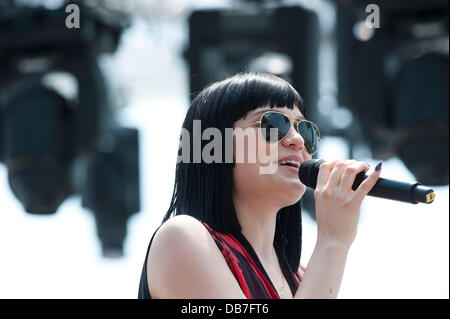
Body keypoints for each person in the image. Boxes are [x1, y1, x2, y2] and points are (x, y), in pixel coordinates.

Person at [138, 72, 382, 299]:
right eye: (273, 125)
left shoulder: (301, 277)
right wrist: (332, 242)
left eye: (305, 130)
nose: (297, 141)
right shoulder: (181, 238)